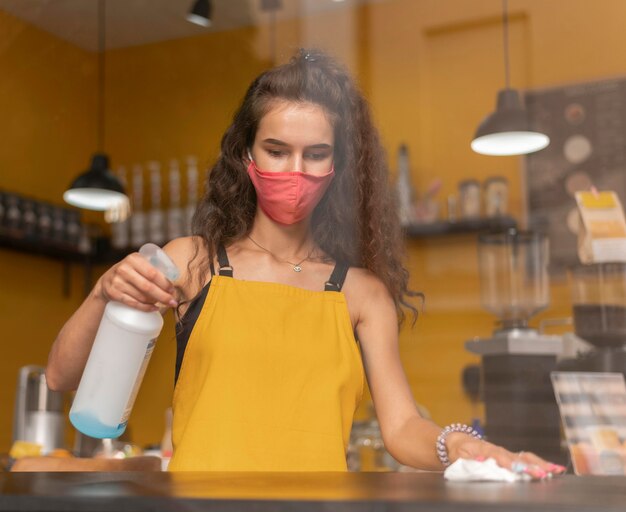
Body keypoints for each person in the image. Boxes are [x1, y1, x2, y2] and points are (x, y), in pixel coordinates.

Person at [47, 48, 565, 476]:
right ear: (245, 155)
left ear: (338, 165)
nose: (295, 170)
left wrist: (459, 444)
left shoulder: (361, 294)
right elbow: (62, 376)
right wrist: (102, 293)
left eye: (315, 154)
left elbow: (403, 428)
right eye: (276, 150)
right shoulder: (194, 262)